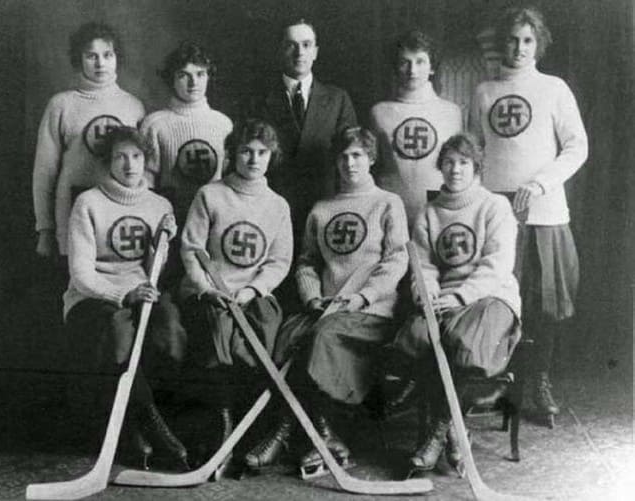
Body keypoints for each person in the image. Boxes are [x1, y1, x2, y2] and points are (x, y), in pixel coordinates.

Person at [244, 127, 409, 476]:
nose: (350, 163)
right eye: (344, 156)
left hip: (371, 311)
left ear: (372, 159)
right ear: (335, 161)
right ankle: (314, 432)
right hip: (326, 308)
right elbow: (307, 262)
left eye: (358, 156)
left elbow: (396, 260)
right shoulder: (322, 209)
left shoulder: (387, 203)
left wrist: (362, 297)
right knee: (286, 336)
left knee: (323, 337)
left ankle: (303, 431)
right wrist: (312, 297)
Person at [470, 6, 588, 423]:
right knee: (500, 298)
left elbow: (577, 146)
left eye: (527, 40)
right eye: (512, 40)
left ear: (538, 44)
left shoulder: (554, 88)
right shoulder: (484, 91)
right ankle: (503, 382)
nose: (519, 48)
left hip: (543, 212)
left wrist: (539, 183)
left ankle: (537, 381)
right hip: (498, 214)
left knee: (543, 304)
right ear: (501, 43)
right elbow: (475, 153)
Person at [393, 133, 521, 474]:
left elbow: (497, 265)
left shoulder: (495, 206)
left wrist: (460, 296)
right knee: (418, 338)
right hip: (445, 301)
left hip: (488, 297)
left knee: (465, 345)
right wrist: (429, 294)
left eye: (463, 162)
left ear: (476, 166)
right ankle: (454, 432)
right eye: (448, 162)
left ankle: (438, 433)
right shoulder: (429, 213)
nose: (455, 170)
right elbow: (424, 266)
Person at [64, 127, 188, 470]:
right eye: (120, 156)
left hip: (143, 289)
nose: (129, 164)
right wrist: (123, 293)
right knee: (119, 334)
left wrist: (163, 245)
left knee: (170, 329)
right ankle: (143, 426)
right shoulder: (88, 202)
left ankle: (144, 419)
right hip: (94, 296)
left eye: (136, 156)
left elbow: (155, 270)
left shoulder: (159, 204)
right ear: (107, 161)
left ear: (146, 160)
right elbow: (81, 274)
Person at [178, 118, 293, 463]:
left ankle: (250, 428)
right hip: (211, 291)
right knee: (217, 332)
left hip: (252, 295)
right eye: (245, 151)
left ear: (272, 157)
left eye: (262, 152)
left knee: (263, 338)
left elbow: (279, 261)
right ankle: (220, 422)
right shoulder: (210, 195)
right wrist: (205, 288)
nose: (254, 159)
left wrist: (253, 290)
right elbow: (191, 249)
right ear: (232, 154)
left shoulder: (278, 205)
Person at [33, 22, 145, 263]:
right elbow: (44, 172)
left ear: (117, 58)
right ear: (79, 59)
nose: (100, 63)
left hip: (119, 216)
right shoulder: (61, 105)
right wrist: (45, 229)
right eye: (91, 56)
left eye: (107, 55)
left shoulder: (133, 106)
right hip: (71, 211)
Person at [253, 19, 358, 258]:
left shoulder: (337, 99)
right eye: (291, 45)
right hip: (273, 207)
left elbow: (351, 155)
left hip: (325, 206)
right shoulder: (258, 100)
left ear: (316, 52)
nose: (299, 52)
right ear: (280, 50)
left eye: (306, 44)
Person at [369, 29, 462, 228]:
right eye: (405, 62)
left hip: (438, 209)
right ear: (396, 67)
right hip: (390, 207)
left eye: (420, 62)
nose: (412, 70)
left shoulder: (451, 112)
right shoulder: (379, 112)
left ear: (432, 68)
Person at [141, 40, 233, 228]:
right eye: (183, 75)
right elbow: (146, 181)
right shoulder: (154, 124)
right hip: (167, 218)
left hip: (213, 219)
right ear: (171, 79)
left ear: (209, 76)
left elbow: (229, 180)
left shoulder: (223, 124)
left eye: (200, 74)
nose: (193, 82)